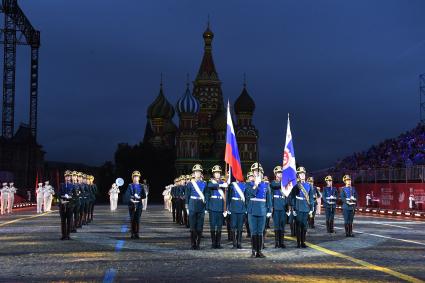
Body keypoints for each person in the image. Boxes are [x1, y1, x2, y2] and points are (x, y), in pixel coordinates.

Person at [245, 162, 272, 258]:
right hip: (252, 210)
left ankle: (259, 251)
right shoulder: (249, 184)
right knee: (253, 231)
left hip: (262, 210)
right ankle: (253, 251)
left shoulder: (266, 185)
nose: (257, 173)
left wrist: (269, 210)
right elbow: (250, 194)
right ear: (253, 173)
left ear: (262, 173)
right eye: (256, 172)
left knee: (260, 231)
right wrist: (255, 184)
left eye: (259, 172)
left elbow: (269, 198)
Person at [290, 167, 314, 248]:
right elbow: (292, 197)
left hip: (306, 207)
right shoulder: (296, 185)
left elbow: (311, 198)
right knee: (298, 225)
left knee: (304, 226)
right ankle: (298, 242)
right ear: (298, 175)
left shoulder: (309, 185)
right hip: (299, 207)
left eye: (303, 173)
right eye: (300, 174)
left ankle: (303, 242)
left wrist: (311, 208)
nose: (302, 175)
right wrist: (293, 208)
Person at [185, 164, 207, 250]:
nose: (197, 174)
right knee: (192, 226)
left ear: (201, 174)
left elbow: (206, 195)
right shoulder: (190, 184)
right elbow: (187, 195)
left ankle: (198, 244)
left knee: (200, 226)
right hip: (192, 204)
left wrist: (206, 207)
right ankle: (192, 243)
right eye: (196, 172)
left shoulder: (204, 184)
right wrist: (187, 206)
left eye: (199, 172)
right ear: (194, 174)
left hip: (201, 205)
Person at [206, 165, 228, 249]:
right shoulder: (211, 182)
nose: (218, 174)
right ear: (213, 174)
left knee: (219, 226)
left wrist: (226, 209)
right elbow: (210, 187)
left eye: (219, 173)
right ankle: (213, 243)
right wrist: (221, 185)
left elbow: (226, 196)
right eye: (216, 173)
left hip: (221, 206)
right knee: (212, 225)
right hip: (213, 206)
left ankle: (218, 243)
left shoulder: (224, 183)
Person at [227, 173, 247, 249]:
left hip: (241, 207)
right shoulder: (232, 185)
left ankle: (239, 242)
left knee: (240, 227)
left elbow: (246, 197)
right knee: (233, 226)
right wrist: (228, 207)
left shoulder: (244, 185)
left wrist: (245, 208)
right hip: (234, 207)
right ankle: (234, 243)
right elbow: (228, 197)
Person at [270, 166, 288, 248]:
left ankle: (282, 242)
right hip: (276, 207)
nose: (280, 174)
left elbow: (288, 196)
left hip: (283, 206)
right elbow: (275, 186)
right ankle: (277, 242)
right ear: (275, 174)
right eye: (278, 173)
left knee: (282, 225)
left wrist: (288, 206)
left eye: (281, 173)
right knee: (277, 225)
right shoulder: (273, 183)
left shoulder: (285, 184)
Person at [127, 170, 146, 239]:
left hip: (139, 205)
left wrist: (139, 197)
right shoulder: (130, 185)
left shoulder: (141, 186)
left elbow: (144, 196)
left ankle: (137, 233)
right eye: (134, 177)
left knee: (137, 219)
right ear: (132, 178)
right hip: (131, 204)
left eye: (137, 177)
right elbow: (127, 195)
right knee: (132, 219)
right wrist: (131, 199)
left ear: (139, 178)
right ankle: (132, 233)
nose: (135, 178)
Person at [59, 170, 74, 240]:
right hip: (62, 204)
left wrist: (70, 197)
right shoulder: (61, 185)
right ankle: (63, 235)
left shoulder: (72, 185)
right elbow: (58, 194)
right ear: (65, 177)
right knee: (63, 221)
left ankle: (68, 235)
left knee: (69, 221)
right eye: (66, 176)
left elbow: (75, 195)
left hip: (69, 204)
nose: (67, 178)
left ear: (70, 177)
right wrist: (62, 200)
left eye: (68, 176)